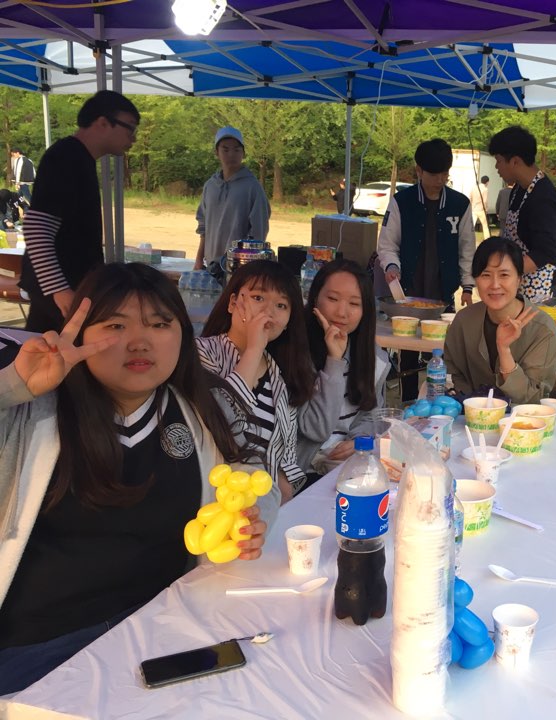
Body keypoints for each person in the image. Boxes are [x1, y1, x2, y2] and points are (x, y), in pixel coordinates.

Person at [0, 262, 279, 695]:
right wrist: (13, 385)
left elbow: (253, 474)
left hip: (161, 626)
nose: (140, 341)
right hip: (41, 645)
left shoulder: (201, 409)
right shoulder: (31, 409)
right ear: (80, 333)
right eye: (115, 325)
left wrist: (254, 513)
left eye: (159, 324)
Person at [20, 90, 140, 333]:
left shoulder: (79, 158)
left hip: (69, 287)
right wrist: (59, 290)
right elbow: (36, 227)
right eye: (130, 128)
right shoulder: (66, 157)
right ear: (103, 122)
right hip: (61, 291)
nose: (133, 139)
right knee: (49, 351)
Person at [198, 260, 316, 502]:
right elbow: (221, 423)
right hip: (211, 501)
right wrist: (253, 349)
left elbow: (284, 464)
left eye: (281, 305)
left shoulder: (280, 378)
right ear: (233, 303)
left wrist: (279, 506)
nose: (268, 311)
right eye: (258, 298)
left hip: (260, 508)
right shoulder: (201, 353)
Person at [377, 138, 475, 401]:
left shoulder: (460, 204)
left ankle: (441, 402)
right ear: (418, 170)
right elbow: (387, 244)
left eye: (444, 173)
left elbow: (467, 248)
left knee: (443, 352)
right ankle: (409, 401)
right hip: (408, 296)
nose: (440, 180)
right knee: (408, 352)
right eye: (433, 174)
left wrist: (467, 286)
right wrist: (392, 266)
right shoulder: (402, 202)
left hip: (443, 294)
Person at [299, 258, 389, 474]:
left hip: (347, 463)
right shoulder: (295, 353)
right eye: (332, 298)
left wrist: (359, 440)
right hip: (303, 469)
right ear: (315, 298)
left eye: (354, 304)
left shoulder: (373, 357)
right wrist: (334, 362)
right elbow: (316, 429)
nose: (342, 312)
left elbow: (371, 415)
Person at [444, 237, 556, 404]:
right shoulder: (464, 320)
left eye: (504, 275)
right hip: (468, 415)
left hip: (521, 418)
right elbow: (452, 373)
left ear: (519, 279)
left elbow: (533, 397)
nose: (495, 285)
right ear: (476, 280)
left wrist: (504, 350)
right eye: (486, 275)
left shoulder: (542, 329)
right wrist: (473, 404)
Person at [488, 126, 556, 299]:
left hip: (541, 289)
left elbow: (545, 252)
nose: (496, 167)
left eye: (499, 161)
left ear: (515, 161)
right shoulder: (519, 189)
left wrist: (505, 272)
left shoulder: (543, 197)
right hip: (519, 283)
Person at [194, 127, 271, 272]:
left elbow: (259, 232)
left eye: (237, 149)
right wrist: (199, 261)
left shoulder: (252, 187)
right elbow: (203, 227)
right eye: (225, 149)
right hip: (211, 266)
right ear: (216, 152)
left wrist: (246, 265)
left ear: (243, 153)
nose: (231, 154)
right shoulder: (210, 186)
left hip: (239, 267)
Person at [469, 175, 491, 240]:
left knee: (471, 225)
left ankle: (469, 237)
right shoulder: (485, 189)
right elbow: (485, 201)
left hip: (473, 209)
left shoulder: (474, 188)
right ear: (487, 182)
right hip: (481, 210)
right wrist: (486, 209)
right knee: (485, 226)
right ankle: (487, 239)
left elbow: (470, 197)